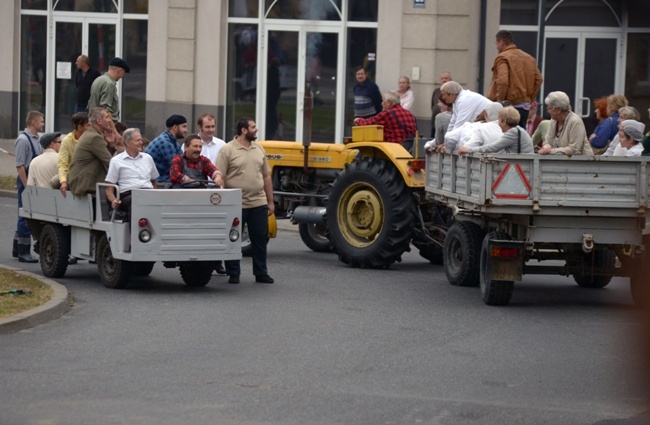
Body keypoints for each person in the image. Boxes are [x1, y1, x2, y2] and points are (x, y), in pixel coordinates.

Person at [215, 117, 275, 285]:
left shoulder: (259, 149)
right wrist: (224, 202)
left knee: (260, 239)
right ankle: (234, 273)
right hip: (236, 204)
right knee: (233, 239)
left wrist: (270, 202)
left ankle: (261, 273)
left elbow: (266, 177)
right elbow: (220, 177)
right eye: (253, 127)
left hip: (258, 202)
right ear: (243, 130)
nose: (256, 130)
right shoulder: (227, 150)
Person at [487, 30, 543, 128]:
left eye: (496, 43)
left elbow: (503, 81)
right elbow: (539, 79)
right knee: (520, 136)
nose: (496, 47)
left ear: (501, 42)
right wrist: (529, 99)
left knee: (506, 137)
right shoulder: (529, 58)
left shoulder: (502, 57)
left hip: (509, 107)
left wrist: (499, 101)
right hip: (525, 107)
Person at [105, 128, 159, 219]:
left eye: (141, 140)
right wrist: (114, 200)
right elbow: (109, 188)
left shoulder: (148, 158)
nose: (141, 143)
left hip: (148, 193)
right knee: (137, 202)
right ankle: (135, 232)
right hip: (129, 195)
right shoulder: (116, 161)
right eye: (138, 140)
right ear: (128, 143)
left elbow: (154, 182)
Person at [13, 111, 45, 263]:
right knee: (24, 214)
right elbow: (19, 166)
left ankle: (16, 247)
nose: (43, 124)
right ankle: (23, 252)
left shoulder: (36, 139)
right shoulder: (23, 140)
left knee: (27, 212)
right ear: (33, 123)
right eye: (41, 121)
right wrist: (27, 185)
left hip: (32, 180)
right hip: (26, 180)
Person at [68, 107, 117, 196]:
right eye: (106, 117)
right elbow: (110, 163)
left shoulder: (93, 134)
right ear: (99, 121)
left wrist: (110, 144)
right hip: (85, 185)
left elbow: (105, 158)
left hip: (83, 182)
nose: (109, 120)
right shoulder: (94, 137)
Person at [458, 106, 534, 155]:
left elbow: (493, 148)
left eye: (499, 120)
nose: (498, 124)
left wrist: (469, 150)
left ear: (504, 121)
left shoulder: (513, 132)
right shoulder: (519, 130)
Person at [538, 91, 594, 156]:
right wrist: (546, 147)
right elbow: (548, 141)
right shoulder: (553, 120)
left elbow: (575, 149)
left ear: (558, 110)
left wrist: (551, 151)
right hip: (563, 163)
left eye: (549, 108)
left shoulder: (575, 121)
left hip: (582, 164)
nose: (548, 111)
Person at [145, 114, 188, 185]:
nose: (186, 130)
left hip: (164, 179)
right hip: (159, 182)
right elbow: (177, 167)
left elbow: (182, 161)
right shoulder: (165, 142)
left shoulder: (172, 141)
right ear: (175, 127)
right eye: (184, 127)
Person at [88, 57, 130, 122]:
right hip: (105, 125)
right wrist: (113, 130)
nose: (122, 76)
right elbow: (105, 109)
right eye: (123, 73)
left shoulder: (99, 79)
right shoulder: (109, 84)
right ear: (120, 70)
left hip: (95, 122)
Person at [58, 112, 90, 196]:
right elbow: (62, 164)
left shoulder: (93, 139)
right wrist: (63, 182)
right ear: (80, 127)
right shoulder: (67, 140)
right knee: (54, 181)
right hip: (73, 174)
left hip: (88, 174)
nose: (91, 129)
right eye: (88, 126)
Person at [430, 71, 452, 137]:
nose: (444, 80)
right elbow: (432, 105)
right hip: (435, 122)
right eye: (442, 78)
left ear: (450, 80)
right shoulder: (436, 91)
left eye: (446, 78)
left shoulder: (452, 92)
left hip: (447, 122)